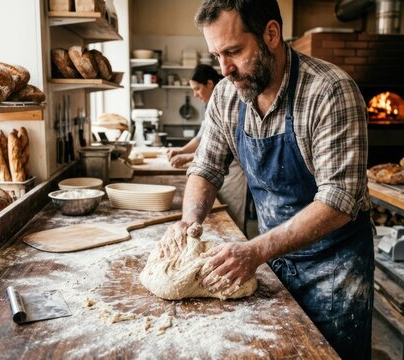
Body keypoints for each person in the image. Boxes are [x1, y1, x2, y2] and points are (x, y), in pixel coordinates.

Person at [159, 1, 374, 358]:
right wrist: (189, 223)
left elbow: (339, 201)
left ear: (271, 34)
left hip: (334, 269)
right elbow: (206, 166)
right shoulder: (228, 95)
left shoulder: (329, 91)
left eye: (234, 51)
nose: (225, 69)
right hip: (274, 257)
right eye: (216, 55)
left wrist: (256, 249)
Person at [167, 65, 248, 230]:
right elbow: (202, 138)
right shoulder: (211, 103)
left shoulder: (230, 98)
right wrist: (182, 151)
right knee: (218, 220)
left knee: (233, 223)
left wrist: (189, 157)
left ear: (210, 84)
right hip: (216, 171)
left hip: (232, 172)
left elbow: (228, 146)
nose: (195, 94)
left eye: (197, 89)